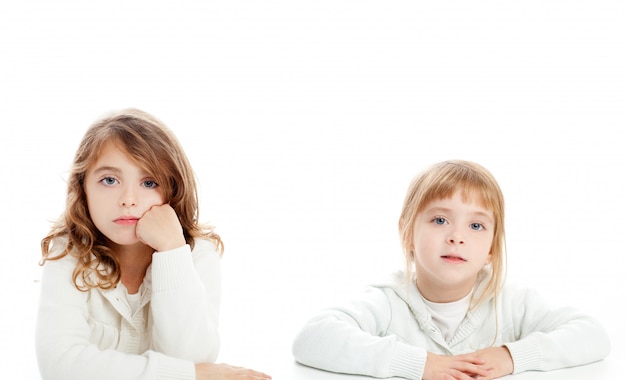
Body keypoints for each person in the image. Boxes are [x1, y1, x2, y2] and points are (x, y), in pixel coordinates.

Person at [292, 159, 610, 380]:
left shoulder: (513, 303)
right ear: (407, 232)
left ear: (491, 248)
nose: (456, 236)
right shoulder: (387, 302)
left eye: (475, 225)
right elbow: (313, 339)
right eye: (440, 220)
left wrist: (511, 357)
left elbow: (592, 334)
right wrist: (421, 365)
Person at [36, 108, 271, 380]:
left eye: (149, 182)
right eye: (109, 180)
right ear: (83, 188)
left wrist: (172, 250)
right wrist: (187, 374)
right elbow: (60, 366)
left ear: (173, 188)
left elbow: (193, 359)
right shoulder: (68, 253)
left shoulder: (196, 254)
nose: (128, 199)